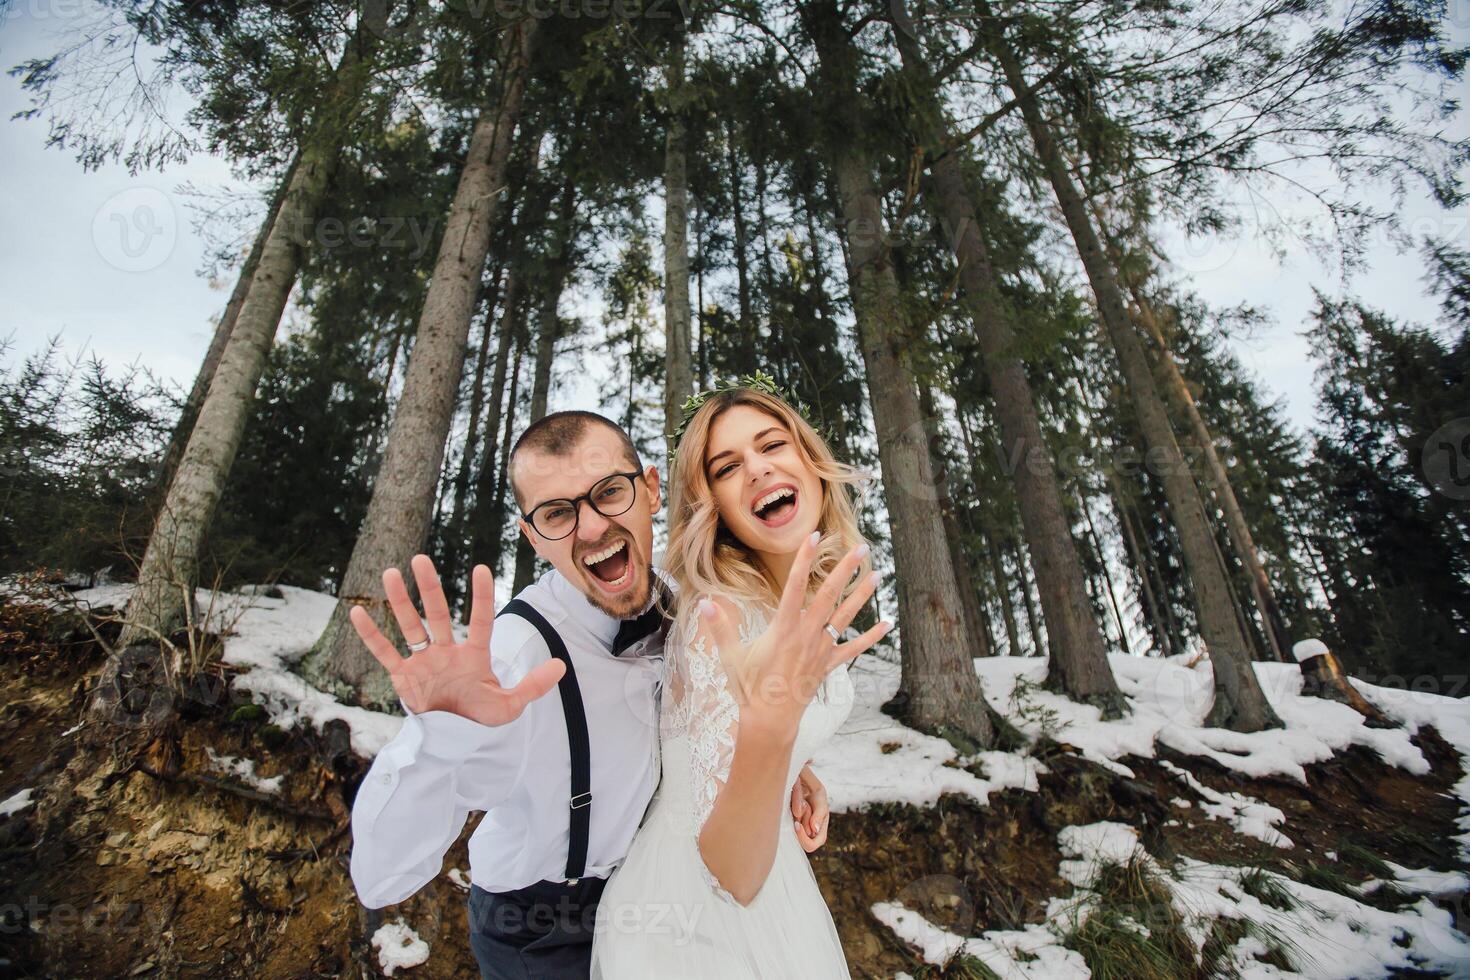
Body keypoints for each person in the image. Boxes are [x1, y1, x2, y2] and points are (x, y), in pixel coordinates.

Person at [347, 411, 828, 980]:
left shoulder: (693, 604)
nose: (594, 527)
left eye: (608, 493)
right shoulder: (510, 659)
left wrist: (783, 760)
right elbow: (381, 879)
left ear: (650, 489)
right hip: (544, 927)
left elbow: (704, 723)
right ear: (530, 535)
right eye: (557, 513)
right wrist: (439, 740)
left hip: (669, 892)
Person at [589, 381, 891, 979]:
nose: (757, 469)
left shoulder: (797, 610)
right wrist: (772, 737)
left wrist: (791, 767)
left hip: (776, 886)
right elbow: (726, 871)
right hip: (694, 926)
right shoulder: (720, 620)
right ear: (714, 507)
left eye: (772, 444)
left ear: (809, 461)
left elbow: (718, 747)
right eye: (727, 467)